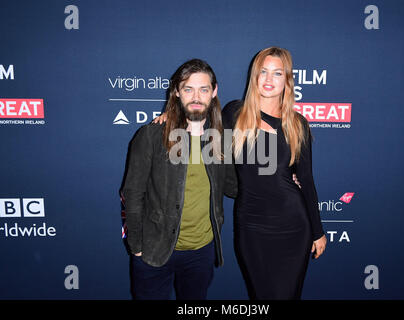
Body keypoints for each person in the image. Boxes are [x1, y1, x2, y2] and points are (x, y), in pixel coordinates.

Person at [121, 58, 237, 300]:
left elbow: (234, 188)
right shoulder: (151, 135)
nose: (196, 96)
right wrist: (137, 247)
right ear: (176, 92)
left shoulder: (220, 138)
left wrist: (283, 179)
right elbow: (132, 193)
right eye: (188, 89)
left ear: (214, 92)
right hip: (154, 251)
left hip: (201, 252)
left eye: (204, 89)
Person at [222, 46, 327, 300]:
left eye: (277, 73)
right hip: (251, 225)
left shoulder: (297, 123)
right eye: (263, 72)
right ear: (254, 76)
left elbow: (307, 180)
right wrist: (173, 112)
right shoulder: (234, 112)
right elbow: (201, 130)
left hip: (293, 225)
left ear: (287, 80)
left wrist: (317, 230)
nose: (269, 80)